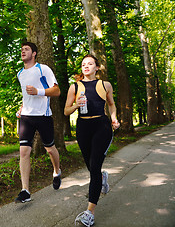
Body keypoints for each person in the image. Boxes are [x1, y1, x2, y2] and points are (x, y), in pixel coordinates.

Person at [64, 54, 120, 226]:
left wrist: (114, 118)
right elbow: (66, 111)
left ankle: (90, 212)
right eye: (83, 64)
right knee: (91, 166)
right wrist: (76, 105)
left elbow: (111, 104)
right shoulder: (75, 87)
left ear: (97, 67)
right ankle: (102, 178)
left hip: (101, 127)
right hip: (83, 128)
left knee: (94, 167)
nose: (86, 66)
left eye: (90, 64)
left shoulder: (105, 85)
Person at [15, 42, 62, 203]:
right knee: (23, 152)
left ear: (34, 53)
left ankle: (56, 171)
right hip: (26, 118)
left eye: (26, 49)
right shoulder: (20, 73)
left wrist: (38, 92)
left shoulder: (43, 69)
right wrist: (22, 108)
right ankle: (25, 190)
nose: (23, 51)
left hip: (43, 115)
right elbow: (26, 96)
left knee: (49, 149)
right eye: (22, 49)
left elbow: (56, 91)